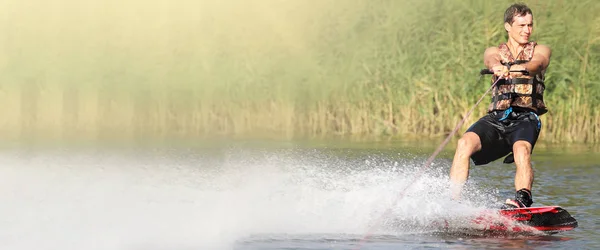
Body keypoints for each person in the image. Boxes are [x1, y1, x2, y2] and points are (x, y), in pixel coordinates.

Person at [449, 3, 552, 209]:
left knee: (521, 149)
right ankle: (453, 203)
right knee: (464, 144)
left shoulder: (540, 49)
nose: (527, 30)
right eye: (521, 25)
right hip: (497, 117)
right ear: (508, 26)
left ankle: (522, 201)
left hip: (526, 118)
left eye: (530, 25)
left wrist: (519, 68)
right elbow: (491, 58)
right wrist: (496, 67)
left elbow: (538, 63)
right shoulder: (495, 51)